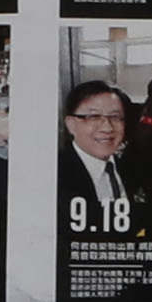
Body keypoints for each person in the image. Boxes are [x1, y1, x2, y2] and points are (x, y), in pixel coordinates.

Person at [59, 79, 137, 223]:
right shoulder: (55, 174)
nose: (107, 128)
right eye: (93, 117)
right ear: (71, 125)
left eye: (115, 117)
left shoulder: (130, 168)